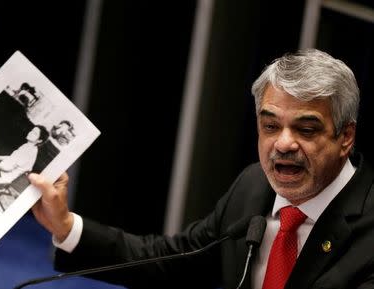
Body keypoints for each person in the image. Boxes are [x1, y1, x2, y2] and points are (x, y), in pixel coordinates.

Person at [28, 49, 374, 289]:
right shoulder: (253, 187)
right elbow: (171, 263)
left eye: (306, 129)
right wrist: (66, 226)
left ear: (345, 137)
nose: (283, 144)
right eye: (270, 126)